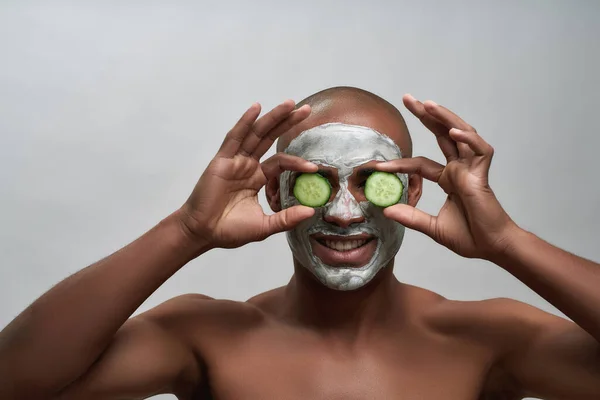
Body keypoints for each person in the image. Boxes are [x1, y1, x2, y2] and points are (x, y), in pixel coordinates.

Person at [1, 87, 599, 400]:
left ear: (413, 191)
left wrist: (506, 241)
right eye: (315, 184)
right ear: (276, 192)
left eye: (374, 181)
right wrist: (186, 231)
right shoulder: (204, 336)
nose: (343, 212)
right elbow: (13, 381)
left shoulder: (486, 340)